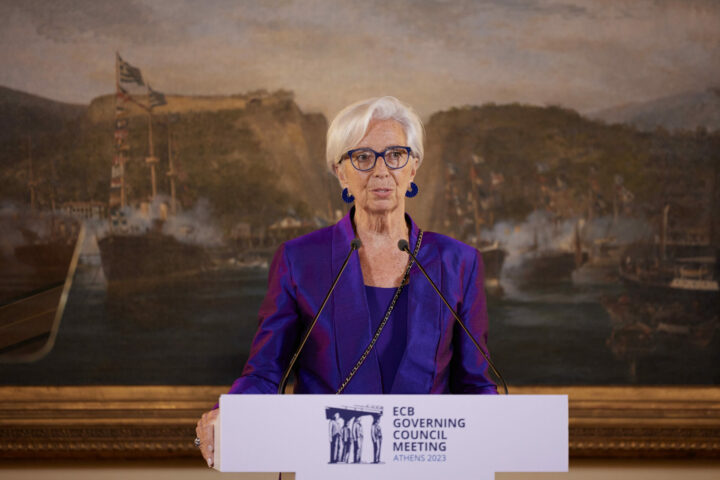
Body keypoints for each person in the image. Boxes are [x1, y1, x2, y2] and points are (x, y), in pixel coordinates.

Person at [195, 96, 497, 467]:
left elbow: (475, 384)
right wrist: (231, 412)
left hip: (429, 468)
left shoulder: (459, 262)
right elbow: (265, 372)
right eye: (363, 157)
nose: (381, 171)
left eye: (395, 155)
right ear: (341, 173)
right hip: (326, 464)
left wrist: (501, 428)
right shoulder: (299, 259)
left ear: (413, 168)